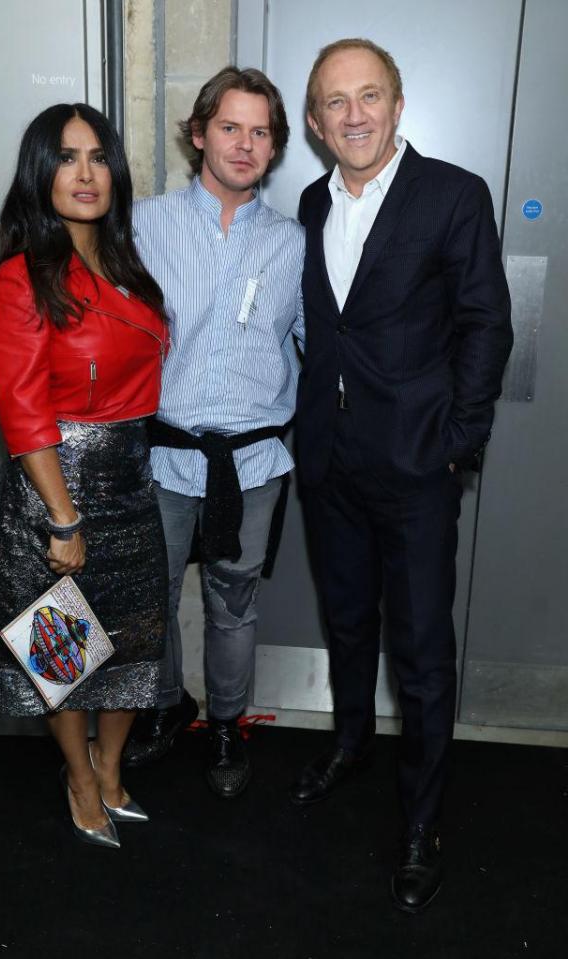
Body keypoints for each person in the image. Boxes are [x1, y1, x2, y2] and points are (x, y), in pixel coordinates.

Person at [290, 39, 513, 911]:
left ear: (396, 103)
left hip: (417, 469)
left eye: (368, 96)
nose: (353, 114)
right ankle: (350, 741)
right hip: (330, 464)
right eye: (336, 102)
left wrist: (456, 440)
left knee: (420, 653)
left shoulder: (454, 195)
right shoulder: (310, 203)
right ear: (314, 122)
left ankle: (421, 821)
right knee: (347, 620)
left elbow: (485, 325)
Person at [0, 102, 169, 849]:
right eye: (67, 157)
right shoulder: (21, 277)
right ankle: (79, 775)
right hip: (56, 490)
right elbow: (23, 410)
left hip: (132, 479)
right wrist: (63, 519)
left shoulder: (124, 263)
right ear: (40, 172)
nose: (86, 174)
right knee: (64, 654)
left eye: (98, 157)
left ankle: (112, 765)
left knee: (134, 642)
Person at [124, 67, 305, 799]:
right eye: (230, 127)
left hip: (253, 460)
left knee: (235, 604)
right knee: (152, 596)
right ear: (199, 133)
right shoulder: (143, 225)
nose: (245, 144)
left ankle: (227, 723)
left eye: (261, 132)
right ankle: (169, 704)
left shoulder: (294, 242)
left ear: (275, 147)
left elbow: (324, 342)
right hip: (164, 455)